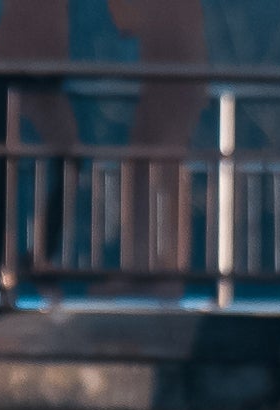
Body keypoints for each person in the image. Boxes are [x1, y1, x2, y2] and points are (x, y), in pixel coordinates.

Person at [0, 0, 78, 303]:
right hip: (11, 69)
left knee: (70, 159)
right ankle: (6, 265)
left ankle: (36, 257)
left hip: (42, 73)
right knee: (7, 163)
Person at [107, 0, 207, 289]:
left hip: (176, 83)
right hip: (164, 83)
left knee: (166, 169)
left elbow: (127, 23)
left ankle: (169, 268)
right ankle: (144, 264)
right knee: (143, 168)